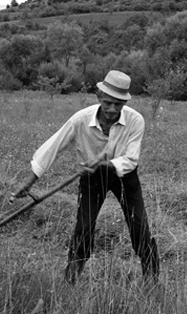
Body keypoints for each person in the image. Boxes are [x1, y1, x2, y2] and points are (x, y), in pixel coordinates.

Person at [11, 70, 160, 283]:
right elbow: (52, 147)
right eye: (108, 102)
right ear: (99, 96)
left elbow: (131, 159)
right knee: (84, 227)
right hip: (91, 178)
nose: (112, 109)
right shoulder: (80, 120)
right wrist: (30, 181)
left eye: (118, 104)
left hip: (125, 177)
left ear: (124, 103)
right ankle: (70, 279)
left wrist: (103, 163)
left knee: (139, 226)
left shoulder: (136, 121)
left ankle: (152, 281)